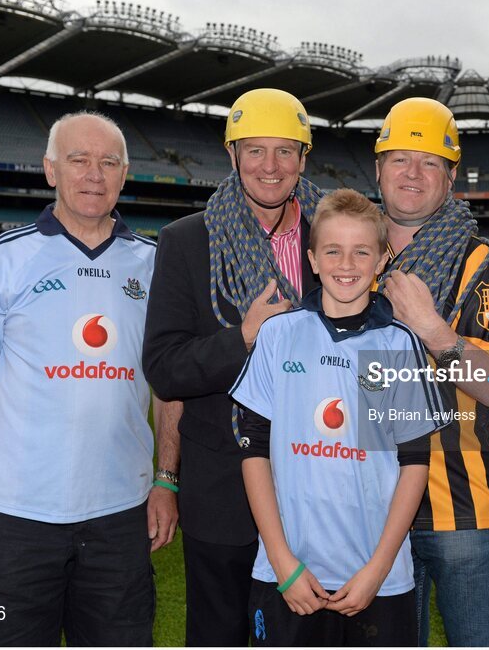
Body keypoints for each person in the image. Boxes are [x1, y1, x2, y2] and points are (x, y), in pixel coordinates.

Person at [0, 111, 178, 646]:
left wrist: (166, 480)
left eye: (108, 162)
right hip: (17, 518)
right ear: (51, 170)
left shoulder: (152, 262)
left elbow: (168, 387)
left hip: (122, 518)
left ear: (124, 175)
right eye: (79, 160)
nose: (94, 174)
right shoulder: (9, 255)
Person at [141, 88, 323, 646]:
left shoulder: (338, 236)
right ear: (232, 155)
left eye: (285, 151)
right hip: (222, 492)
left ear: (303, 158)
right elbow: (166, 368)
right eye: (255, 151)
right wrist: (244, 335)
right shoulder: (185, 241)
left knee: (308, 632)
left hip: (317, 480)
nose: (271, 167)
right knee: (219, 634)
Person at [232, 188, 449, 646]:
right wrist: (282, 561)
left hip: (377, 579)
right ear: (312, 259)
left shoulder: (398, 344)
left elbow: (414, 463)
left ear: (381, 260)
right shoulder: (279, 334)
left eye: (360, 252)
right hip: (287, 573)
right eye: (332, 250)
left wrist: (378, 569)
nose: (346, 265)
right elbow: (254, 451)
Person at [373, 98, 489, 646]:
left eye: (430, 162)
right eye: (400, 159)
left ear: (451, 177)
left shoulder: (478, 264)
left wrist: (433, 329)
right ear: (378, 168)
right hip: (376, 504)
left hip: (462, 509)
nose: (413, 174)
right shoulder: (351, 255)